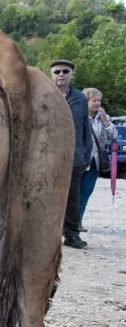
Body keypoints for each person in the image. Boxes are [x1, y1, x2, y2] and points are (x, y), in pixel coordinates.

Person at [51, 60, 90, 249]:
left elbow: (85, 128)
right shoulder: (44, 95)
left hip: (74, 156)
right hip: (47, 156)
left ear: (71, 74)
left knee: (73, 198)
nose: (61, 74)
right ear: (51, 74)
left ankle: (72, 235)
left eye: (65, 71)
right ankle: (46, 236)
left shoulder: (80, 98)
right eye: (57, 71)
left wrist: (85, 154)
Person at [79, 87, 116, 230]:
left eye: (99, 101)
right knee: (74, 193)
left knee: (86, 192)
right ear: (86, 101)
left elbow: (112, 136)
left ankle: (78, 220)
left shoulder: (102, 118)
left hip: (95, 162)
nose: (97, 104)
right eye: (94, 100)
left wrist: (106, 121)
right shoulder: (79, 116)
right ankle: (69, 221)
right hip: (80, 159)